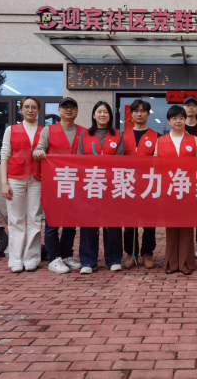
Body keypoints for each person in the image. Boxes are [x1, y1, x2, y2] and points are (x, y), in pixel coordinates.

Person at [33, 97, 85, 274]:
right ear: (59, 110)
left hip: (76, 184)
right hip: (54, 184)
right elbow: (38, 150)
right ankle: (53, 258)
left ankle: (67, 254)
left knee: (71, 223)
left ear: (76, 111)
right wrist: (39, 153)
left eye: (72, 107)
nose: (68, 110)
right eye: (65, 107)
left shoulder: (84, 132)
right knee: (52, 223)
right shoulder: (48, 130)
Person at [77, 101, 124, 274]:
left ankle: (113, 259)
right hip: (91, 184)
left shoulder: (118, 134)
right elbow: (79, 160)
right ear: (94, 115)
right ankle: (88, 261)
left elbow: (119, 160)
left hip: (111, 185)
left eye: (106, 112)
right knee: (89, 223)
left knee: (112, 223)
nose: (102, 114)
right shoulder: (85, 134)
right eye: (99, 111)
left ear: (110, 116)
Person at [155, 105, 197, 275]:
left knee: (187, 226)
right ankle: (171, 262)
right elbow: (155, 164)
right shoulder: (160, 141)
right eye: (174, 118)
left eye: (181, 118)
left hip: (187, 188)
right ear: (169, 121)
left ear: (185, 120)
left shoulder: (193, 139)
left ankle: (186, 262)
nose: (178, 121)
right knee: (171, 226)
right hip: (168, 190)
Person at [0, 97, 44, 273]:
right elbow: (4, 156)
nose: (30, 110)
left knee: (35, 218)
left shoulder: (44, 131)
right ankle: (16, 258)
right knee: (16, 219)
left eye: (33, 107)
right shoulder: (11, 130)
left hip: (38, 178)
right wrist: (4, 183)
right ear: (21, 110)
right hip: (15, 177)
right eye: (26, 107)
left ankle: (32, 258)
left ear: (38, 110)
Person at [122, 99, 159, 270]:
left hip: (148, 185)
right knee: (129, 222)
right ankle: (131, 253)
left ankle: (147, 253)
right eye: (136, 111)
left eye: (143, 111)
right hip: (128, 184)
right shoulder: (122, 136)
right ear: (131, 114)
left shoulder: (157, 136)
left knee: (149, 221)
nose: (139, 114)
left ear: (148, 114)